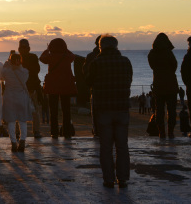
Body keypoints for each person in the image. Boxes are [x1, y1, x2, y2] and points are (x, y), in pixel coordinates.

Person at [86, 35, 132, 189]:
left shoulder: (96, 63)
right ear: (116, 46)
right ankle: (123, 178)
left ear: (101, 47)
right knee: (122, 146)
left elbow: (88, 82)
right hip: (122, 108)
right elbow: (129, 80)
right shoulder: (126, 61)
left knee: (105, 147)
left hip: (104, 108)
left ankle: (109, 179)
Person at [40, 38, 77, 139]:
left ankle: (54, 132)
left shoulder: (50, 57)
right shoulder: (67, 56)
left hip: (53, 87)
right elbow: (73, 56)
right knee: (66, 110)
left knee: (53, 111)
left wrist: (47, 49)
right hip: (66, 86)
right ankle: (67, 132)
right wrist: (66, 49)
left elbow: (42, 58)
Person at [148, 33, 179, 139]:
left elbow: (152, 66)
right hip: (171, 85)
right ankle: (170, 132)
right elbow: (174, 65)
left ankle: (161, 132)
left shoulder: (152, 54)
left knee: (159, 110)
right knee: (171, 110)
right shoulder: (169, 53)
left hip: (158, 85)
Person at [2, 53, 32, 152]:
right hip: (21, 98)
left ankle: (14, 143)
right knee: (22, 121)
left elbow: (1, 77)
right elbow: (23, 73)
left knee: (11, 122)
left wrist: (7, 63)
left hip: (10, 98)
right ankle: (22, 141)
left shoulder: (6, 71)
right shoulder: (25, 72)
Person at [18, 39, 42, 139]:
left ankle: (18, 131)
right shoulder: (33, 57)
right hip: (32, 87)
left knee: (20, 111)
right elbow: (37, 70)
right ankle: (36, 131)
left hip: (22, 88)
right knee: (35, 110)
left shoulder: (17, 58)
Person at [83, 36, 101, 136]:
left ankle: (97, 132)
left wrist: (90, 84)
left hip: (96, 89)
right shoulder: (119, 57)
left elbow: (85, 72)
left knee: (96, 112)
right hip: (110, 91)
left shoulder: (91, 56)